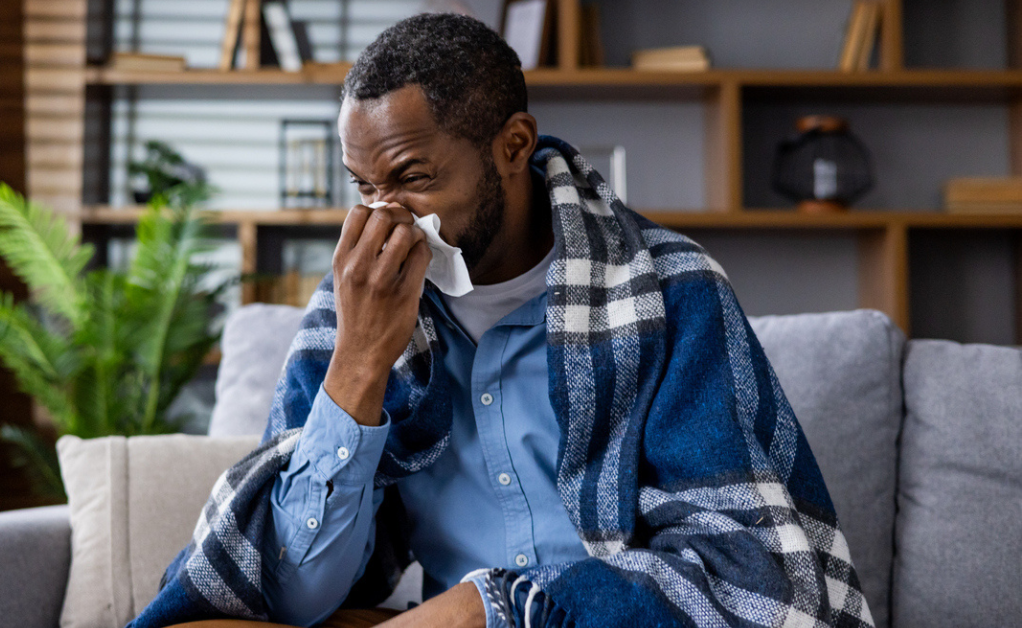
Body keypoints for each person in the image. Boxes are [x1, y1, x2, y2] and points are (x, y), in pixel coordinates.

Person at [130, 13, 872, 628]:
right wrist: (358, 361)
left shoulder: (669, 289)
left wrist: (493, 610)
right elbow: (291, 594)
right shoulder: (355, 305)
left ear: (513, 146)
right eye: (363, 186)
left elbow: (758, 574)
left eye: (413, 179)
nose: (384, 216)